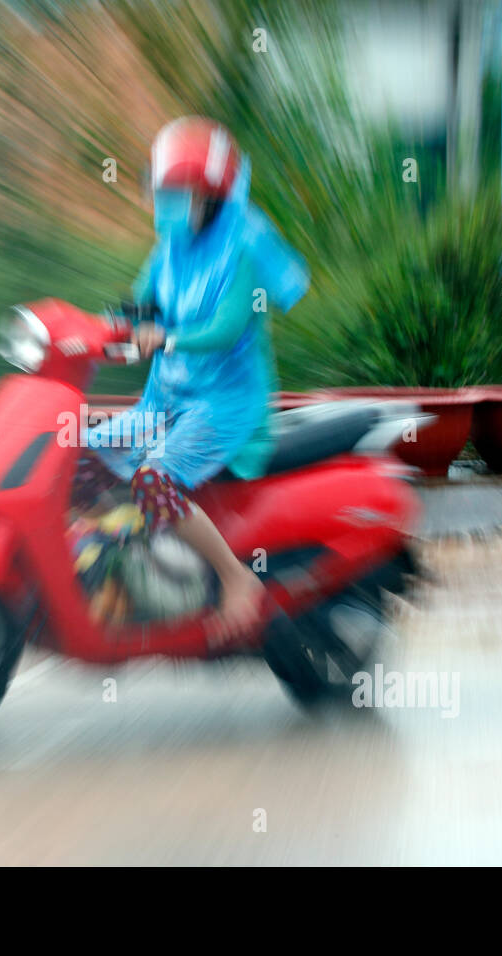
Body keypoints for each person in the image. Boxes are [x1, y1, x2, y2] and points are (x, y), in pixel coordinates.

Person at [75, 116, 310, 641]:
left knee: (155, 479)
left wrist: (167, 338)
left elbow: (226, 328)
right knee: (81, 457)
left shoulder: (244, 243)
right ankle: (122, 561)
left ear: (211, 196)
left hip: (223, 405)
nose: (168, 202)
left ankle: (235, 580)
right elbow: (142, 308)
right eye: (163, 191)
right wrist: (95, 328)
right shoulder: (170, 249)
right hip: (167, 399)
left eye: (180, 192)